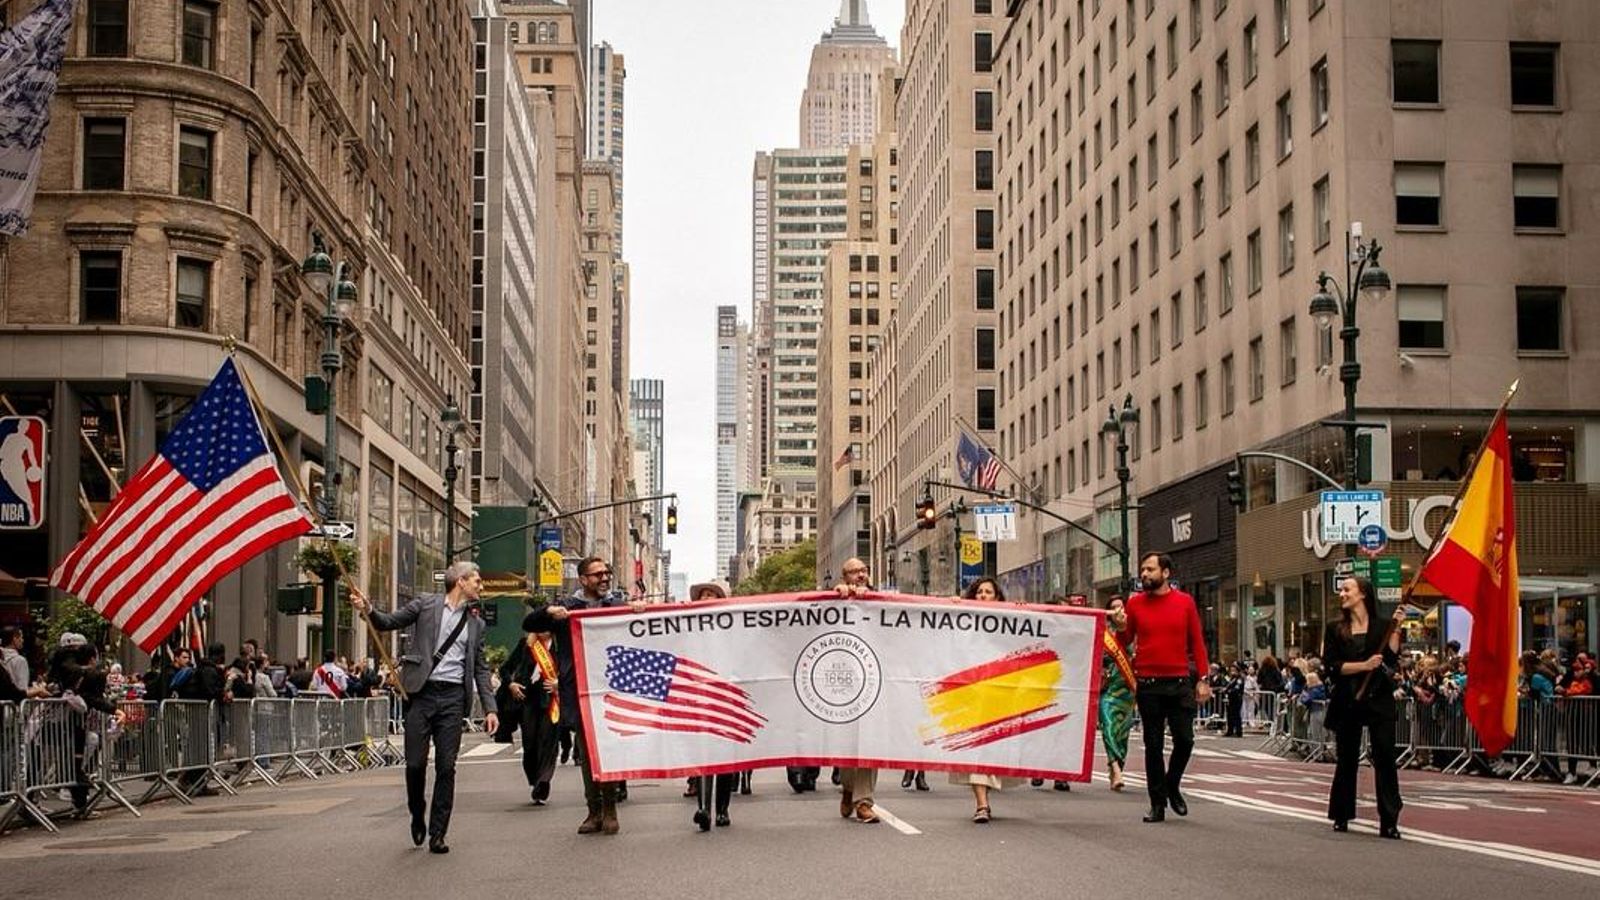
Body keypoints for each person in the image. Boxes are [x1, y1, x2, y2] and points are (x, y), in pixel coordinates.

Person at [351, 561, 499, 854]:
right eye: (477, 581)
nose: (481, 586)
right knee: (415, 764)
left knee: (446, 766)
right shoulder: (425, 604)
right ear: (461, 581)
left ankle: (438, 832)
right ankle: (417, 811)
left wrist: (490, 708)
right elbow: (387, 622)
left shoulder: (476, 624)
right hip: (421, 694)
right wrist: (367, 608)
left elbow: (481, 669)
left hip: (453, 698)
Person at [520, 556, 646, 836]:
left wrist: (638, 610)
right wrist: (549, 612)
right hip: (579, 688)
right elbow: (529, 624)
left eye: (606, 573)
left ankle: (610, 808)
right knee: (587, 752)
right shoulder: (567, 607)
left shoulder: (617, 606)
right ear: (583, 579)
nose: (604, 578)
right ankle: (594, 810)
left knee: (608, 750)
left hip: (611, 688)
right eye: (597, 574)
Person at [1121, 551, 1211, 823]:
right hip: (1148, 684)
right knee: (1153, 745)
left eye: (1150, 569)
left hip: (1179, 682)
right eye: (1143, 570)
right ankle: (1157, 803)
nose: (1144, 574)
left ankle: (1172, 784)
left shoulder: (1185, 602)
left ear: (1166, 573)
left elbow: (1197, 642)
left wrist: (1203, 678)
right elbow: (1125, 639)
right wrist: (1119, 625)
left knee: (1185, 740)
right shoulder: (1135, 603)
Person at [1323, 575, 1405, 839]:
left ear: (1363, 594)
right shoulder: (1334, 628)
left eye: (1347, 589)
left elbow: (1390, 658)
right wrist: (1363, 666)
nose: (1342, 594)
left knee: (1385, 757)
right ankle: (1341, 813)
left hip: (1378, 698)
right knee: (1346, 758)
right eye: (1342, 590)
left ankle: (1389, 820)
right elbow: (1332, 666)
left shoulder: (1382, 626)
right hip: (1347, 699)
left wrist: (1396, 629)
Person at [946, 577, 1023, 822]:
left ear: (997, 597)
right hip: (971, 694)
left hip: (999, 695)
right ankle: (982, 804)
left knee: (992, 749)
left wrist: (1023, 612)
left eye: (988, 592)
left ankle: (985, 796)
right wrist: (954, 607)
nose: (983, 595)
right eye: (979, 592)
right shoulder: (965, 620)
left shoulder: (1009, 621)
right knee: (975, 749)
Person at [831, 557, 881, 823]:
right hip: (843, 683)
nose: (861, 575)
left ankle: (864, 801)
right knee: (847, 743)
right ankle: (848, 787)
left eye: (864, 570)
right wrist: (838, 595)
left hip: (875, 681)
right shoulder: (835, 599)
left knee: (871, 743)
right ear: (845, 576)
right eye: (854, 572)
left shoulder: (882, 600)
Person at [499, 628, 561, 805]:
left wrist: (559, 683)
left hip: (551, 699)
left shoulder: (561, 645)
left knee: (548, 742)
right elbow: (505, 669)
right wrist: (511, 684)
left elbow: (572, 669)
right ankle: (535, 778)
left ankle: (543, 782)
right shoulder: (526, 644)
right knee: (530, 742)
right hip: (528, 699)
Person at [1099, 595, 1136, 792]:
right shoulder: (1103, 633)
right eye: (1114, 607)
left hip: (1127, 687)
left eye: (1121, 606)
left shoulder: (1132, 631)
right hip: (1108, 688)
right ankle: (1116, 769)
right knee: (1109, 726)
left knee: (1122, 732)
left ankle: (1116, 768)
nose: (1118, 610)